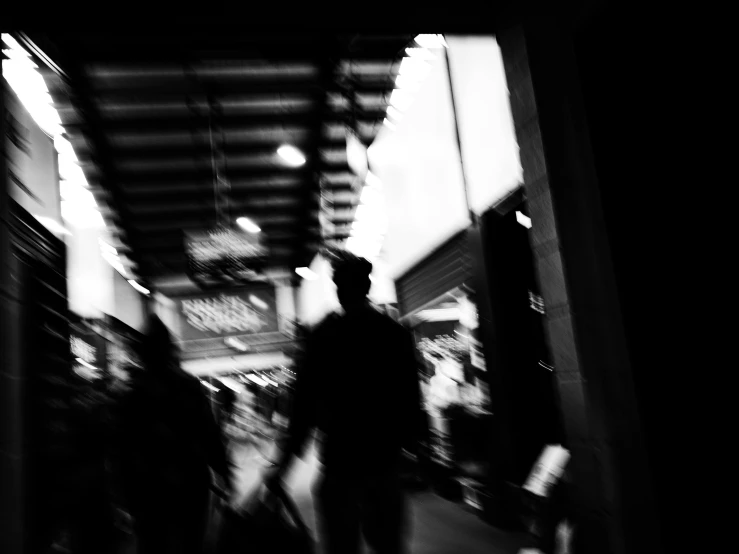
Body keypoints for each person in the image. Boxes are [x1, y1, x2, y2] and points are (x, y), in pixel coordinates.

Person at [264, 251, 430, 554]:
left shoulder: (323, 338)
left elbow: (302, 410)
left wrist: (283, 466)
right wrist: (418, 450)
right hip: (383, 462)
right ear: (367, 287)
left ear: (341, 289)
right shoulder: (393, 334)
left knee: (342, 545)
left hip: (340, 465)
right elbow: (411, 400)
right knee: (389, 545)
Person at [117, 315, 235, 554]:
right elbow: (209, 434)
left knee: (153, 544)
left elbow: (122, 450)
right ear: (169, 350)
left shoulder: (133, 395)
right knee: (191, 543)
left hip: (150, 491)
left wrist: (126, 496)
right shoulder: (188, 387)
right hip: (190, 485)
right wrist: (224, 472)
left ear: (142, 353)